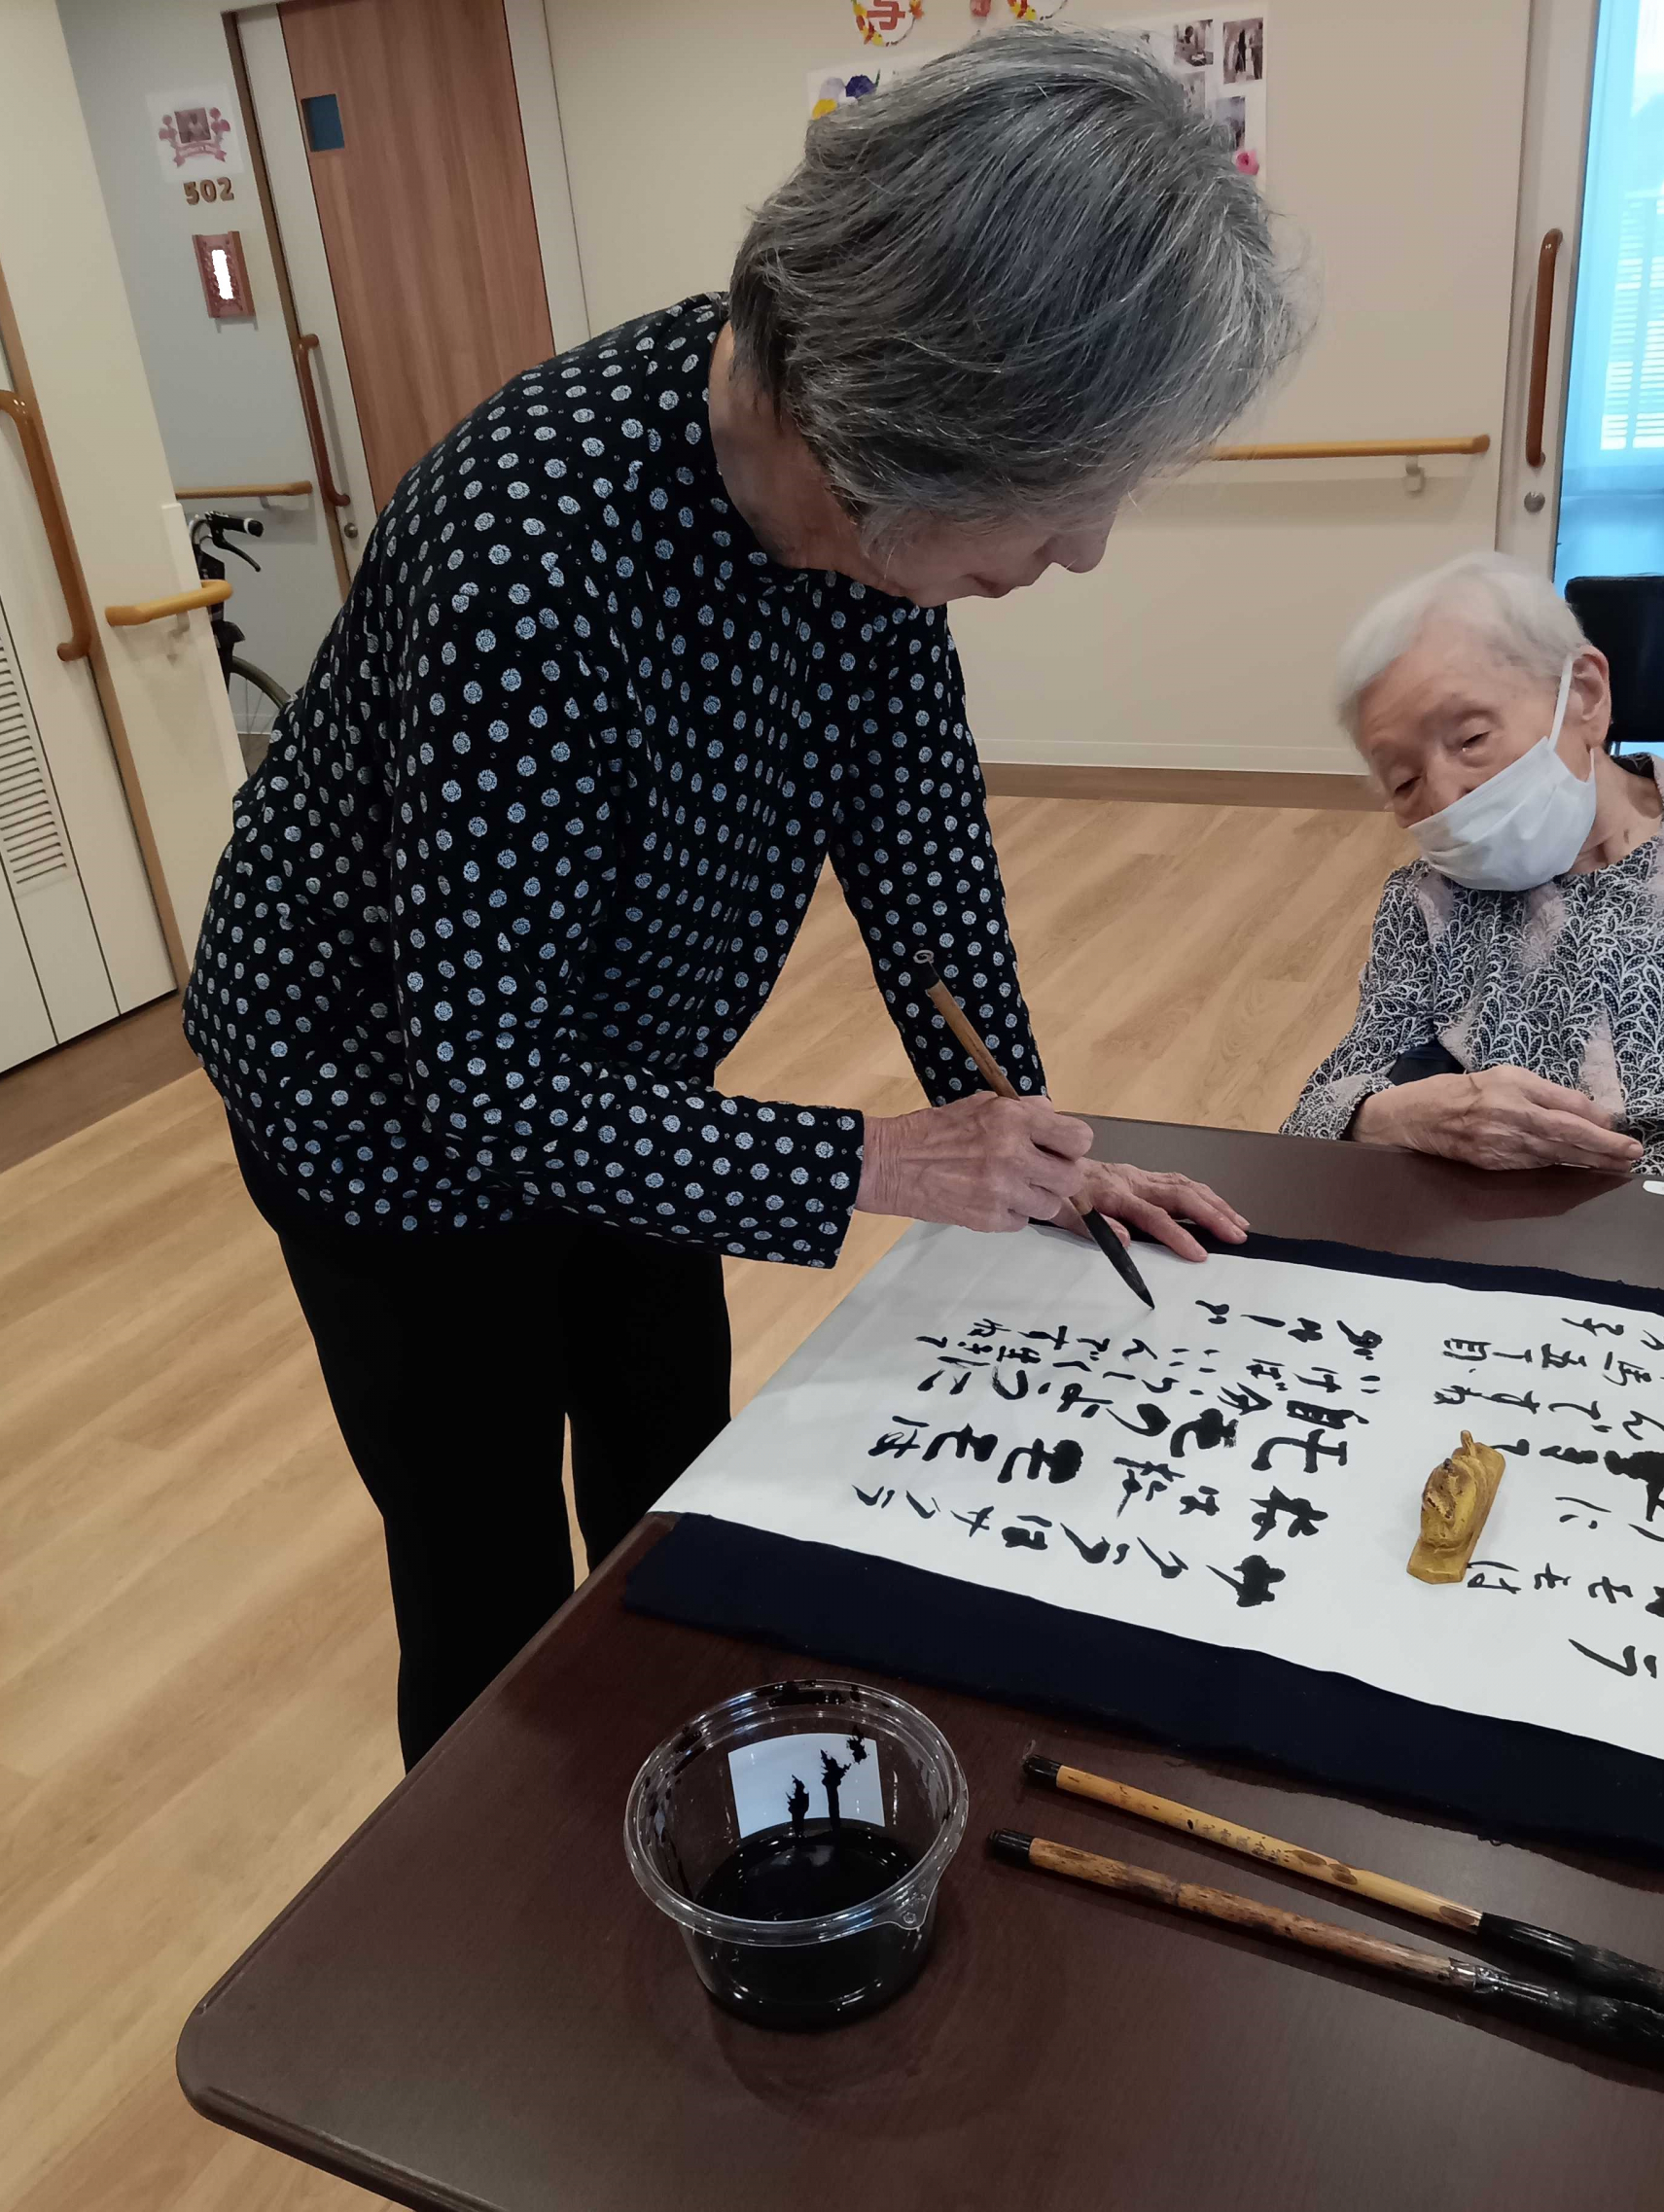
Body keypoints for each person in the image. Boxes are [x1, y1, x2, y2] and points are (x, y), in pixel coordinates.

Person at [184, 29, 1299, 1767]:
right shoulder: (530, 555)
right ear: (905, 430)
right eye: (1064, 496)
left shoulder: (861, 513)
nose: (1082, 552)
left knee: (673, 1480)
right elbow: (484, 1086)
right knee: (483, 1568)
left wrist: (1022, 1132)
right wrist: (874, 1163)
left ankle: (697, 1804)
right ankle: (506, 1881)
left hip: (623, 1071)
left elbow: (917, 838)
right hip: (384, 1109)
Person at [1285, 552, 1664, 1180]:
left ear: (1584, 694)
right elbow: (1314, 1121)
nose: (1446, 796)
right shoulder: (1429, 904)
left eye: (1471, 739)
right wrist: (1398, 1116)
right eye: (1404, 781)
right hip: (1558, 1223)